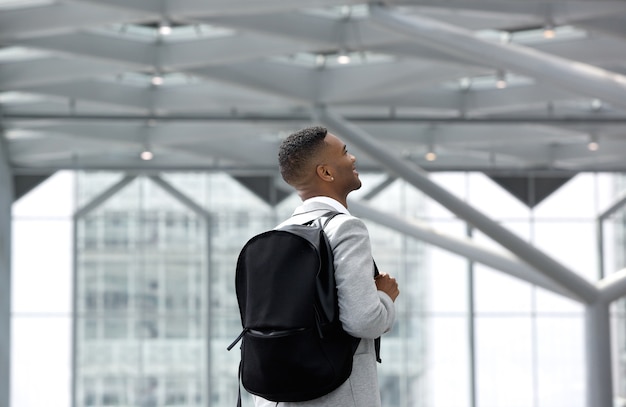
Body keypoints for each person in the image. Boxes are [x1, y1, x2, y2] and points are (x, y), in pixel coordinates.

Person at [253, 126, 400, 407]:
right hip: (336, 396)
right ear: (326, 173)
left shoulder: (280, 233)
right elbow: (363, 320)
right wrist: (385, 296)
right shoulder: (345, 228)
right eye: (345, 153)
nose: (353, 158)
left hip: (276, 397)